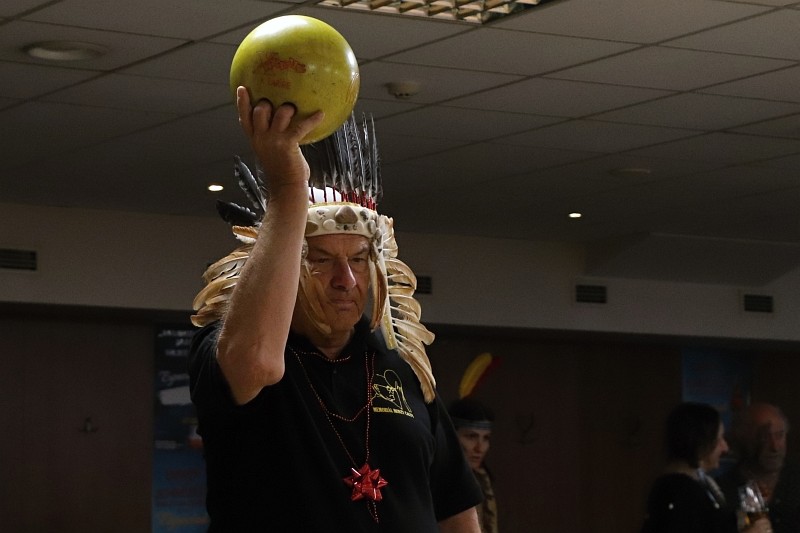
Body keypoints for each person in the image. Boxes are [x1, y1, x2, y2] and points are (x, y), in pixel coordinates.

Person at [187, 87, 483, 532]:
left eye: (359, 260)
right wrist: (288, 188)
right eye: (321, 261)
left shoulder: (400, 366)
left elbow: (456, 508)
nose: (346, 280)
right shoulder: (232, 350)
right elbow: (257, 361)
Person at [640, 402, 772, 533]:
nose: (725, 447)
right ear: (700, 443)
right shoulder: (679, 491)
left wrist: (749, 509)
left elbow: (715, 524)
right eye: (719, 440)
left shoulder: (697, 483)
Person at [716, 402, 800, 533]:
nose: (775, 447)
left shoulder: (795, 480)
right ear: (742, 438)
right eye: (764, 437)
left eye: (779, 435)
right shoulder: (721, 492)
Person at [449, 397, 499, 533]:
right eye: (471, 436)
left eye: (486, 438)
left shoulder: (483, 480)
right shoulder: (440, 481)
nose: (480, 448)